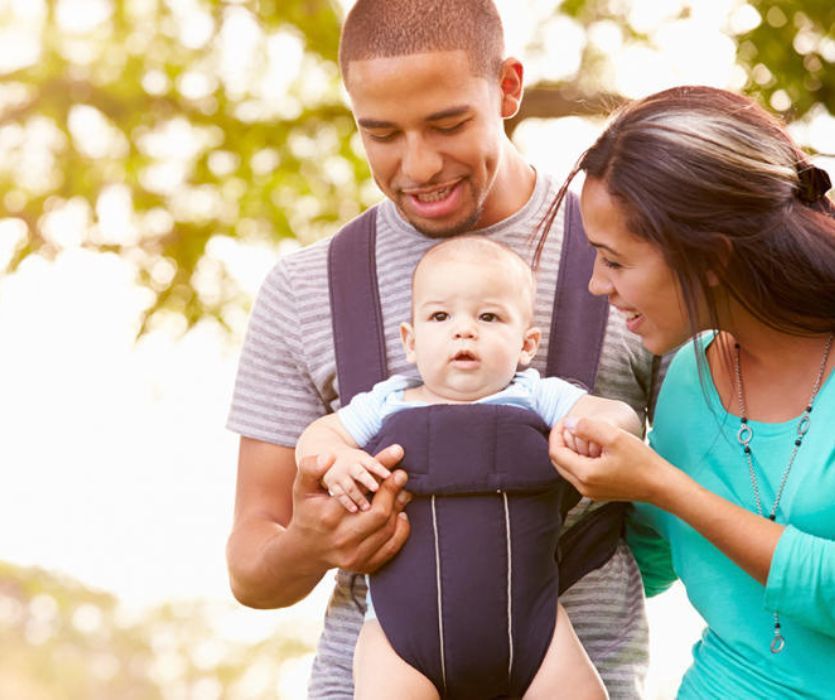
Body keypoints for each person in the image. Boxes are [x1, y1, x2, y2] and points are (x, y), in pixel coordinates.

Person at [225, 1, 662, 697]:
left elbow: (713, 494)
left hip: (580, 670)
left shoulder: (629, 258)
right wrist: (311, 543)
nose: (418, 165)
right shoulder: (305, 289)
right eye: (381, 134)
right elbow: (250, 570)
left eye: (447, 123)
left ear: (509, 88)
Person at [545, 85, 835, 698]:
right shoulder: (689, 379)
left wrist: (662, 484)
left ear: (710, 257)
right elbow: (645, 562)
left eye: (615, 261)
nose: (597, 285)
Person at [297, 237, 643, 698]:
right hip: (399, 641)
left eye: (488, 317)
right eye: (441, 317)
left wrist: (595, 428)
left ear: (526, 344)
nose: (465, 331)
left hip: (536, 636)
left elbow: (620, 416)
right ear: (412, 342)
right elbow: (317, 438)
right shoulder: (385, 403)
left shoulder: (538, 394)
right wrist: (338, 459)